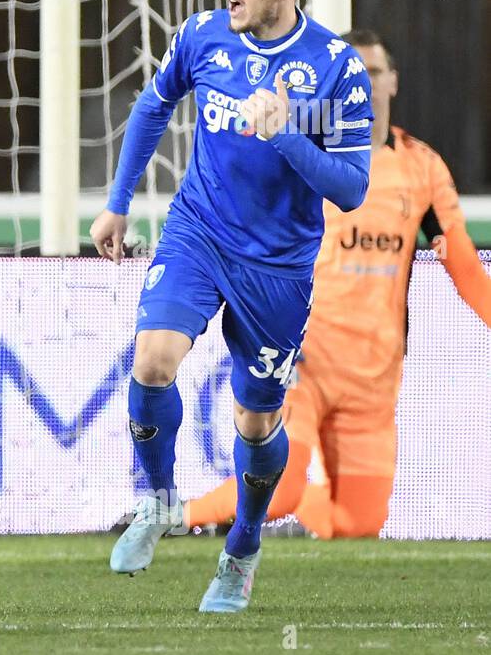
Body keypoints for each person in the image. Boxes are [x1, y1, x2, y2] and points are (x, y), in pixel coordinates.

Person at [91, 0, 373, 612]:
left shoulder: (338, 67)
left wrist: (285, 136)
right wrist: (118, 202)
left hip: (278, 267)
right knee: (153, 357)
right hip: (198, 233)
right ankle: (158, 501)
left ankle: (242, 548)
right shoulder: (202, 35)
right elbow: (151, 109)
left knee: (255, 422)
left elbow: (352, 187)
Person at [184, 29, 491, 539]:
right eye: (355, 74)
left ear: (392, 81)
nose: (366, 84)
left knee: (359, 525)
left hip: (373, 374)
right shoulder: (304, 156)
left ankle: (282, 520)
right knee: (279, 486)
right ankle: (175, 517)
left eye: (374, 73)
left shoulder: (420, 167)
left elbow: (460, 260)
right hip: (303, 357)